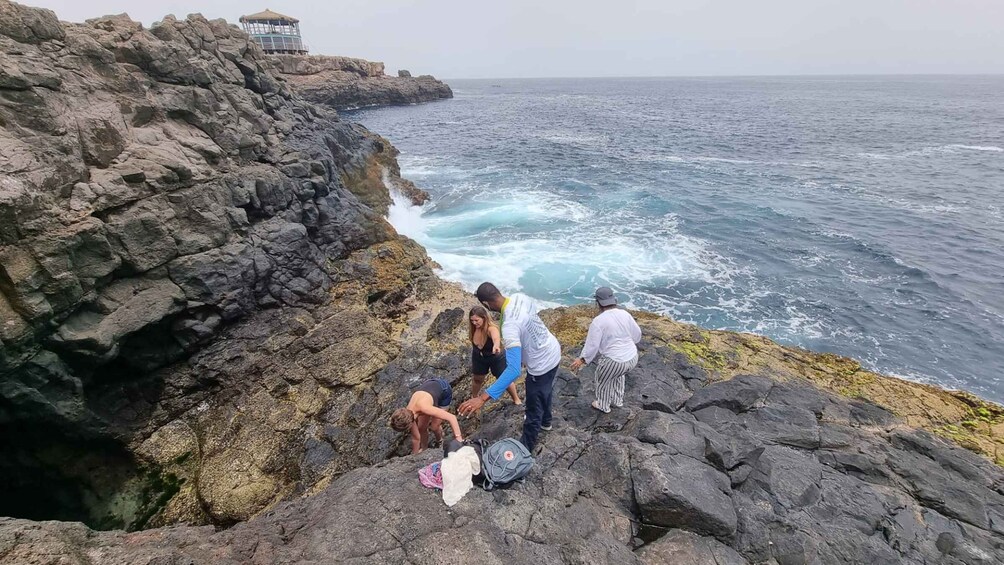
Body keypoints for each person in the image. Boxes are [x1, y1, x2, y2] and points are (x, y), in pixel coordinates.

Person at [459, 283, 561, 452]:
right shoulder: (519, 297)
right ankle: (547, 422)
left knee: (533, 409)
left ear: (486, 304)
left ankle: (525, 450)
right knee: (546, 390)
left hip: (541, 365)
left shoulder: (509, 326)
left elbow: (513, 370)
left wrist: (482, 398)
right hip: (552, 349)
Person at [570, 287, 641, 413]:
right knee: (618, 374)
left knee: (602, 378)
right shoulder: (625, 314)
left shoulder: (598, 321)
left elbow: (592, 345)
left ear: (598, 303)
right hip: (632, 358)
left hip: (615, 361)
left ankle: (603, 405)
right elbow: (637, 335)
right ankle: (617, 400)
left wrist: (582, 359)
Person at [390, 378, 464, 455]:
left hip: (443, 389)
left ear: (409, 424)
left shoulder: (424, 408)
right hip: (428, 389)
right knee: (421, 428)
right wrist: (414, 456)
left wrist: (459, 439)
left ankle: (440, 441)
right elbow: (416, 438)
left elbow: (452, 418)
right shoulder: (408, 414)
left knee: (434, 426)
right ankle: (424, 448)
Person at [468, 305, 522, 405]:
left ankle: (516, 399)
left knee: (504, 378)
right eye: (472, 320)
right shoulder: (473, 328)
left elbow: (496, 337)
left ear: (484, 318)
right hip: (479, 357)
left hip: (495, 357)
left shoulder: (491, 328)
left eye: (476, 320)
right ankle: (474, 397)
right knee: (477, 379)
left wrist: (496, 345)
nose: (474, 323)